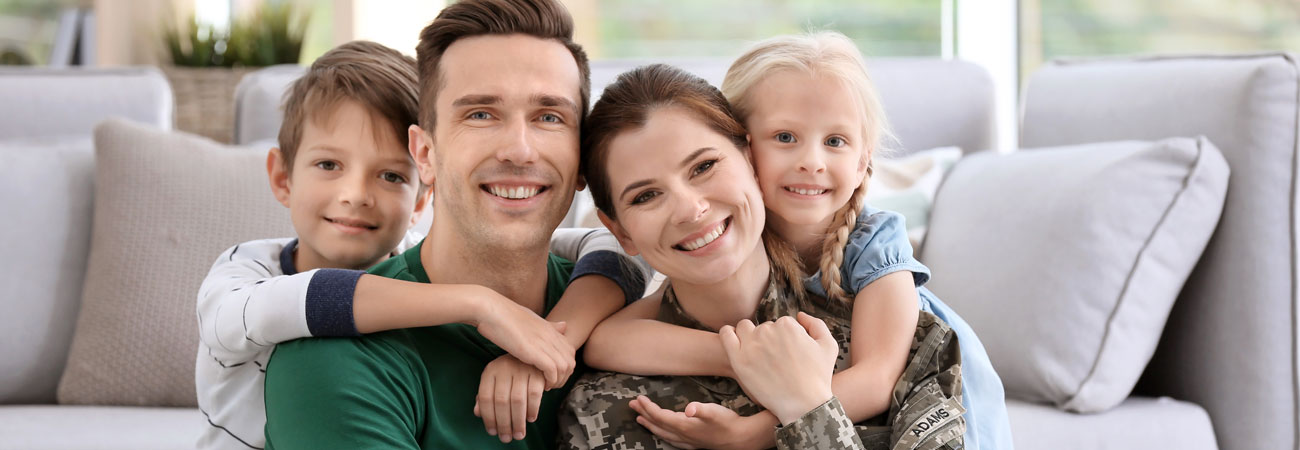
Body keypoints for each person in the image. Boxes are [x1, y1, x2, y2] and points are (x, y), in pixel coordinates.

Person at [582, 32, 1013, 449]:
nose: (811, 162)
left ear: (864, 159)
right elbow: (606, 340)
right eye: (786, 138)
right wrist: (747, 356)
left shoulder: (873, 243)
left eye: (835, 141)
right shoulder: (727, 236)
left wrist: (757, 430)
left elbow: (879, 378)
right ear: (747, 148)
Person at [259, 1, 633, 448]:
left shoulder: (627, 317)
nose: (519, 150)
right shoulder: (332, 358)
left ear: (582, 162)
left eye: (549, 117)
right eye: (480, 114)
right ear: (424, 155)